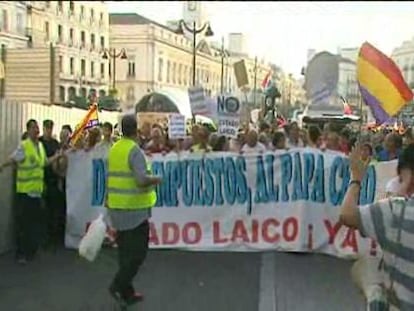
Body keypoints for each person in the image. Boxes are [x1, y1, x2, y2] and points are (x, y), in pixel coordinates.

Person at [340, 143, 414, 310]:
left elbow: (347, 214)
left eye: (401, 179)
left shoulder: (397, 212)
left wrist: (356, 179)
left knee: (367, 267)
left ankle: (377, 298)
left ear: (408, 176)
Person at [106, 114, 162, 307]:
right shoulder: (134, 151)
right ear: (135, 129)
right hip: (134, 210)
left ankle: (126, 293)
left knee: (124, 253)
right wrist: (156, 179)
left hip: (117, 208)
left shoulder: (115, 149)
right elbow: (140, 180)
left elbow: (111, 177)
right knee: (138, 253)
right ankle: (118, 285)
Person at [0, 119, 60, 264]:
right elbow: (13, 159)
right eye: (34, 128)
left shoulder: (39, 146)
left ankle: (31, 251)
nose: (37, 130)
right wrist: (2, 165)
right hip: (25, 192)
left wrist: (57, 157)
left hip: (36, 192)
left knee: (34, 223)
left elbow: (44, 162)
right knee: (24, 224)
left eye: (37, 128)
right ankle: (21, 254)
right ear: (28, 131)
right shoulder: (25, 146)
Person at [39, 119, 63, 249]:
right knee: (44, 211)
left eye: (50, 128)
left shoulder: (55, 143)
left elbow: (59, 162)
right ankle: (44, 239)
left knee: (54, 211)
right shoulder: (39, 142)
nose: (48, 130)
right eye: (47, 128)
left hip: (53, 180)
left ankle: (52, 239)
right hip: (42, 180)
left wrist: (59, 178)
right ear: (43, 128)